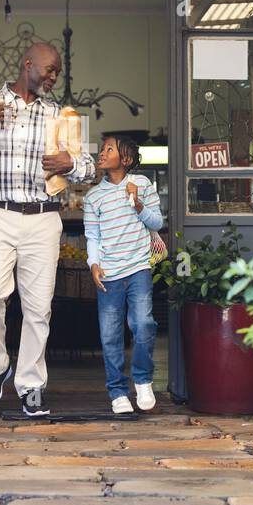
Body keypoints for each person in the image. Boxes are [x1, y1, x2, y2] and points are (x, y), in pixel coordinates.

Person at [0, 43, 95, 417]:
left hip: (44, 217)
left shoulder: (58, 115)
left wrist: (71, 163)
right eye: (50, 70)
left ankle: (31, 385)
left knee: (37, 308)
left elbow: (89, 166)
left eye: (57, 73)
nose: (53, 77)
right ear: (28, 65)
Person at [83, 134, 163, 414]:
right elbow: (92, 235)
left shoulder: (142, 184)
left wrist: (138, 203)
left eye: (109, 149)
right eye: (102, 148)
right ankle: (117, 391)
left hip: (139, 267)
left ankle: (142, 379)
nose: (102, 153)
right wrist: (94, 264)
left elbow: (157, 222)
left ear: (125, 160)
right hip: (109, 273)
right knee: (110, 335)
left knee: (144, 324)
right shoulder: (93, 196)